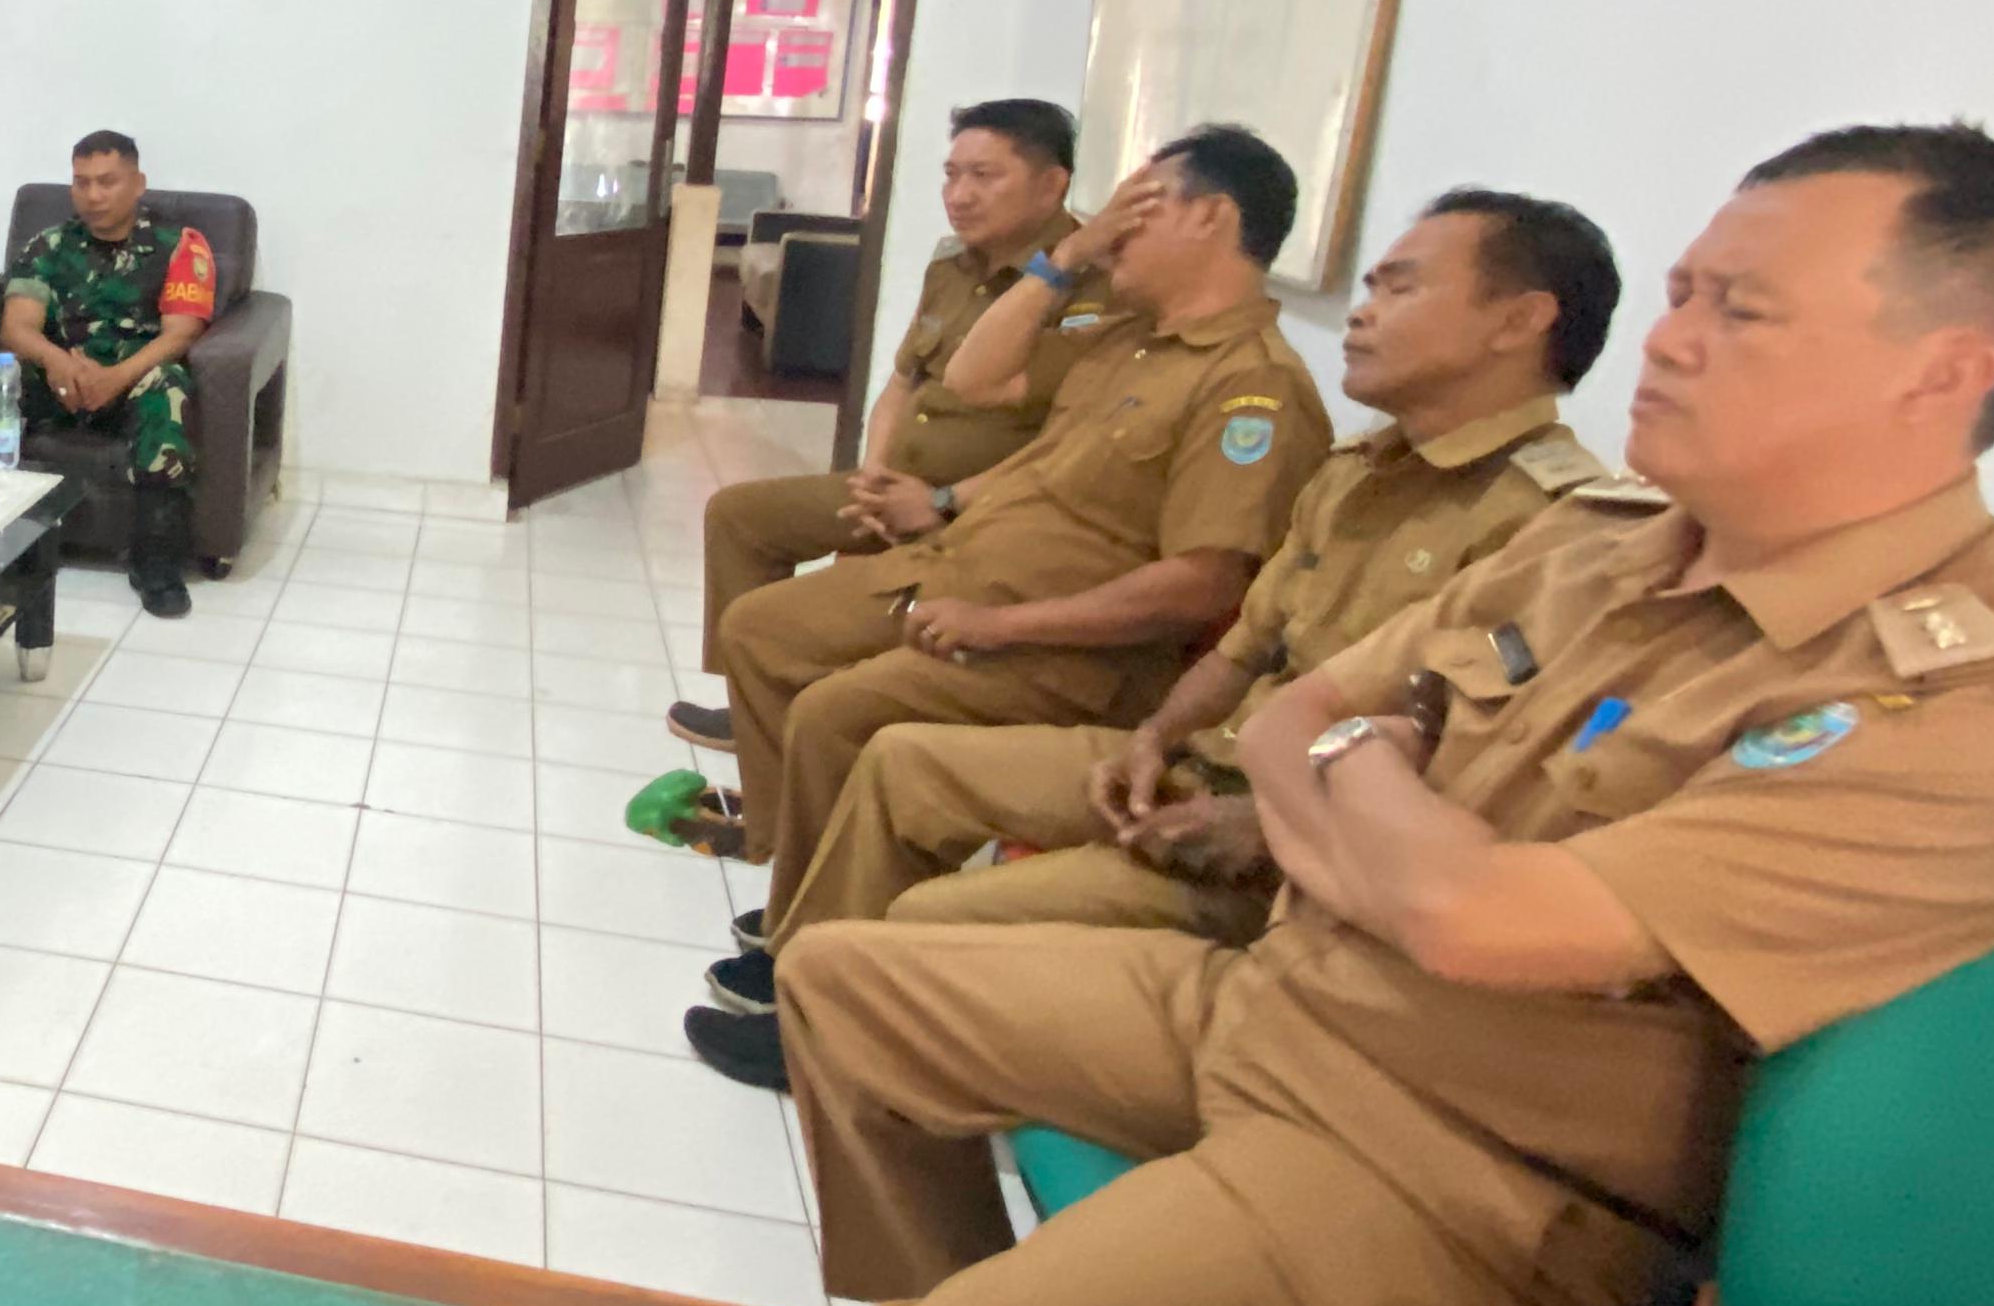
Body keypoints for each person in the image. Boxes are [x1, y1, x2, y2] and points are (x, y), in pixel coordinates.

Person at [781, 123, 1994, 1306]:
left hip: (1454, 1182)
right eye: (1682, 295)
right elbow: (1289, 719)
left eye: (1744, 312)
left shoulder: (1973, 712)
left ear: (1940, 374)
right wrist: (1375, 787)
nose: (1668, 341)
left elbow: (1472, 917)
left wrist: (1364, 777)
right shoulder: (1602, 550)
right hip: (1282, 1008)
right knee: (842, 986)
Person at [679, 191, 1620, 1086]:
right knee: (897, 761)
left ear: (1519, 321)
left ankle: (830, 1022)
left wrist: (1263, 821)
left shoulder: (1549, 531)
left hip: (1283, 845)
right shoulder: (1355, 467)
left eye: (1400, 287)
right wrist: (1157, 739)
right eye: (1367, 286)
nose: (1363, 312)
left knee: (921, 887)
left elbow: (1475, 776)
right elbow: (1245, 648)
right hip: (1188, 757)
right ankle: (808, 976)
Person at [661, 125, 1336, 922]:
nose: (1115, 224)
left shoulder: (1253, 388)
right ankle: (793, 873)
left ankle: (807, 941)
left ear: (1209, 217)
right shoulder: (1135, 344)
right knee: (761, 629)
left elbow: (1202, 585)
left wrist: (1000, 624)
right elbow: (972, 377)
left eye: (1138, 206)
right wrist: (1072, 253)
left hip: (1061, 644)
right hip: (964, 567)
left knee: (835, 714)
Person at [675, 97, 1092, 752]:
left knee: (784, 619)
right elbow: (902, 383)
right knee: (740, 516)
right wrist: (874, 474)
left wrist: (941, 501)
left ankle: (783, 716)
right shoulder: (952, 266)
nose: (959, 195)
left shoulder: (1091, 291)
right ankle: (752, 709)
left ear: (1051, 184)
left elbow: (1070, 446)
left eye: (984, 176)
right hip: (900, 484)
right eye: (952, 174)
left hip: (978, 510)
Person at [0, 130, 219, 618]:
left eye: (107, 181)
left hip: (131, 379)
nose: (93, 195)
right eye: (81, 182)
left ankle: (155, 560)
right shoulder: (49, 245)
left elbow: (181, 333)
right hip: (59, 380)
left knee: (168, 386)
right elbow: (18, 327)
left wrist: (115, 377)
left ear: (138, 183)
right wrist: (58, 363)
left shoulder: (180, 246)